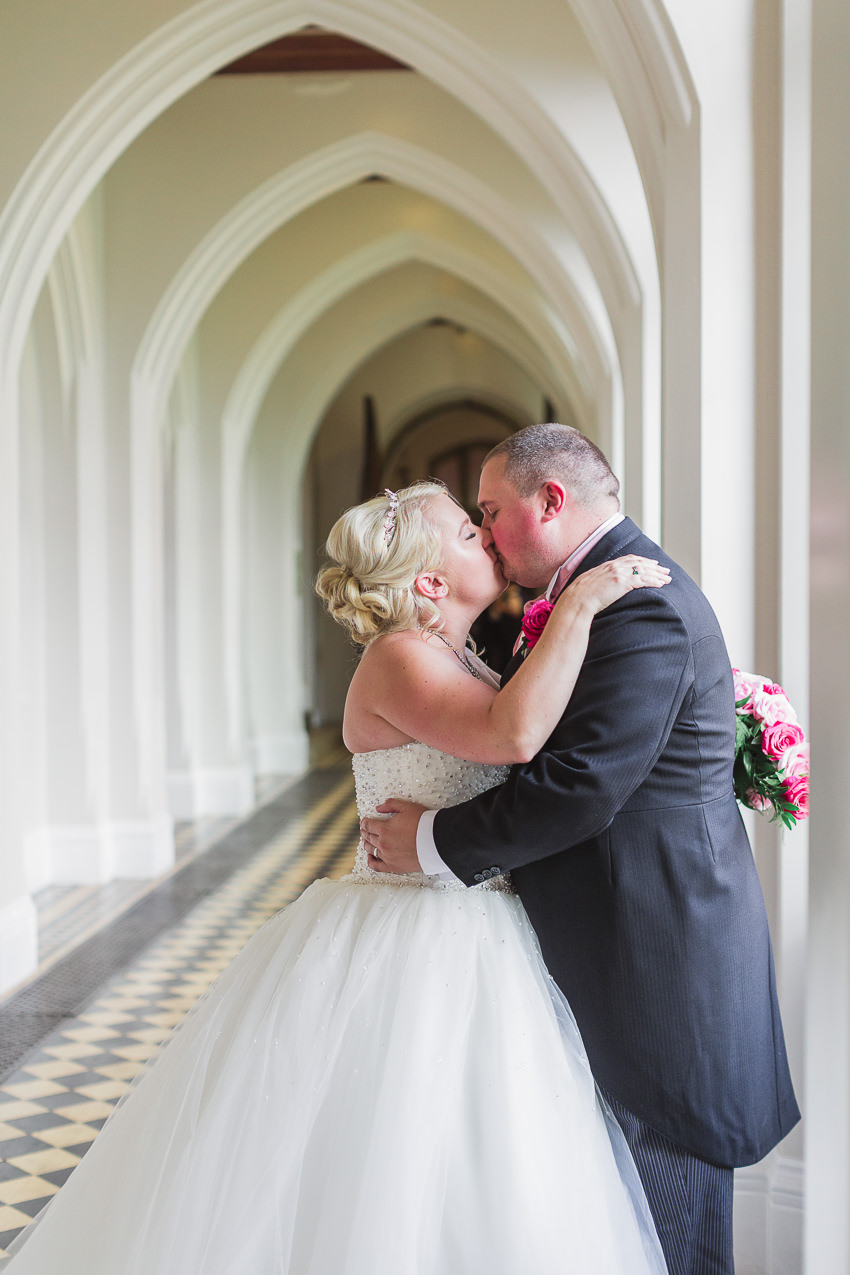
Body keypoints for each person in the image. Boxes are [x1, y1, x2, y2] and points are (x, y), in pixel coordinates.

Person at [3, 479, 672, 1275]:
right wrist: (581, 604)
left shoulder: (458, 652)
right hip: (411, 935)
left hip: (477, 922)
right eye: (468, 531)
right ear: (428, 581)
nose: (488, 538)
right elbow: (514, 733)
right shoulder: (397, 658)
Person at [361, 425, 801, 1275]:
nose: (485, 532)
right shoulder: (597, 597)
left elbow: (580, 787)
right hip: (604, 965)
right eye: (472, 523)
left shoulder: (639, 606)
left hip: (657, 983)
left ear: (550, 501)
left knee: (674, 1245)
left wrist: (427, 839)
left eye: (490, 512)